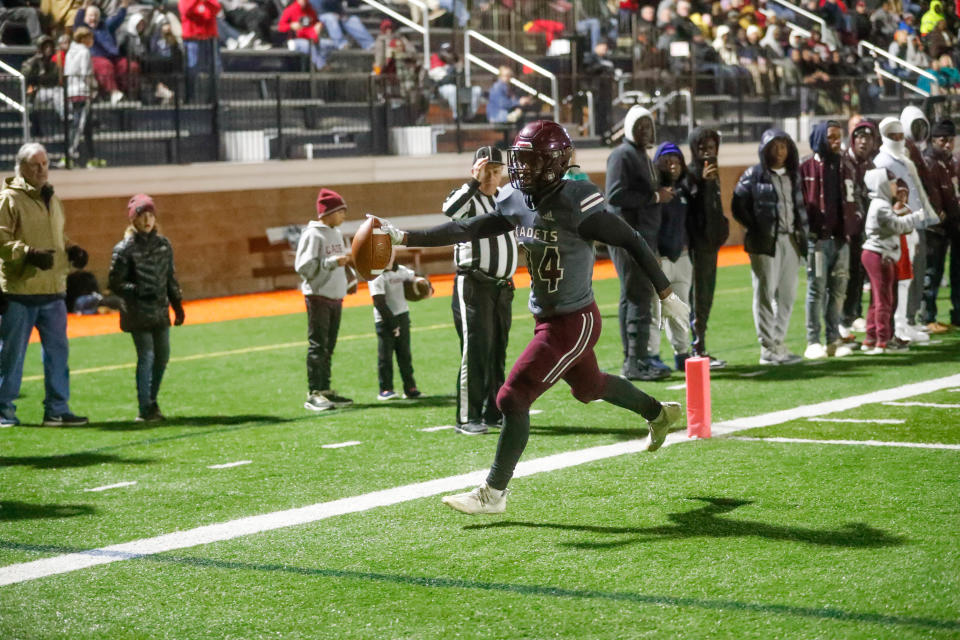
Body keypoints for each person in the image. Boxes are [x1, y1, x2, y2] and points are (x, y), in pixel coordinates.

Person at [373, 121, 687, 515]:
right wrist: (404, 238)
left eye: (528, 160)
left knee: (512, 396)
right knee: (590, 386)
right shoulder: (519, 199)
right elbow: (467, 228)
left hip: (575, 319)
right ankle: (659, 414)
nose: (519, 169)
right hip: (548, 318)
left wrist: (665, 292)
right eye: (518, 159)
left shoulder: (576, 200)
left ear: (553, 163)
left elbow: (632, 239)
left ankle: (493, 494)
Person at [0, 143, 89, 427]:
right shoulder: (8, 199)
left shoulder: (52, 198)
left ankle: (57, 409)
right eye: (35, 164)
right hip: (19, 291)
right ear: (21, 167)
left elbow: (56, 237)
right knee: (11, 357)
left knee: (58, 356)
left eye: (45, 163)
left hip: (53, 290)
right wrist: (28, 254)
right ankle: (3, 410)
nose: (42, 169)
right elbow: (1, 242)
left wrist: (72, 248)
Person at [442, 146, 517, 435]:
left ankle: (492, 411)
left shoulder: (503, 200)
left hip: (502, 288)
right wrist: (474, 182)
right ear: (475, 170)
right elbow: (451, 211)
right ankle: (466, 417)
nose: (492, 177)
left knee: (498, 351)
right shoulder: (466, 197)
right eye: (487, 170)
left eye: (497, 171)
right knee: (475, 351)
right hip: (474, 284)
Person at [732, 129, 808, 365]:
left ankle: (779, 343)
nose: (779, 152)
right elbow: (738, 205)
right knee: (765, 294)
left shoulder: (794, 175)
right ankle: (768, 348)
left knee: (787, 295)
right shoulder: (753, 175)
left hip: (791, 241)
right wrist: (756, 227)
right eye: (774, 147)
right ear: (765, 149)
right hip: (764, 242)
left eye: (783, 146)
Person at [606, 105, 671, 380]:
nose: (645, 130)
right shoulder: (622, 155)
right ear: (630, 128)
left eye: (648, 126)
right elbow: (615, 196)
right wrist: (655, 198)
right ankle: (636, 362)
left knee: (633, 298)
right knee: (638, 298)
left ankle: (636, 359)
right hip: (629, 238)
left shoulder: (640, 155)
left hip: (639, 237)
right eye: (640, 126)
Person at [108, 194, 185, 422]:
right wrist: (138, 290)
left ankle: (151, 401)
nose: (147, 220)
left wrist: (177, 305)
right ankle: (145, 407)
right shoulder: (124, 249)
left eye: (150, 215)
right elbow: (114, 283)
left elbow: (170, 277)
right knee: (147, 356)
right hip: (137, 312)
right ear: (133, 220)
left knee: (163, 356)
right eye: (142, 216)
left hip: (160, 310)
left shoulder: (164, 245)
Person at [799, 120, 862, 359]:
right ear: (819, 138)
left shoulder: (846, 165)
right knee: (816, 289)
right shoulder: (805, 167)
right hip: (817, 240)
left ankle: (833, 339)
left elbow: (854, 195)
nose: (837, 142)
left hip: (841, 239)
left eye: (839, 137)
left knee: (838, 291)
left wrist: (854, 221)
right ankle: (813, 340)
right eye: (832, 137)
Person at [874, 116, 936, 344]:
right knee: (900, 280)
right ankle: (899, 324)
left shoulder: (904, 159)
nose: (899, 140)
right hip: (898, 227)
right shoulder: (882, 160)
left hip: (912, 224)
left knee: (911, 276)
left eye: (901, 135)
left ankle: (907, 320)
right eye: (894, 136)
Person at [861, 169, 936, 353]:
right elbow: (899, 226)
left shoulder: (880, 203)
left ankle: (871, 337)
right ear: (882, 184)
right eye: (892, 182)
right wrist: (918, 216)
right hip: (880, 255)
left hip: (877, 254)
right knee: (885, 299)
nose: (895, 186)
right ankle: (883, 340)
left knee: (877, 299)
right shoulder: (881, 206)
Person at [294, 188, 354, 412]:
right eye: (341, 211)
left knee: (329, 346)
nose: (344, 216)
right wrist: (331, 263)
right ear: (328, 212)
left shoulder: (335, 233)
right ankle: (314, 393)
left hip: (335, 297)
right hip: (318, 296)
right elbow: (304, 268)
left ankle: (325, 389)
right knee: (318, 345)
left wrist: (348, 278)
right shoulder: (313, 234)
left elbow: (337, 263)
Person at [685, 127, 729, 367]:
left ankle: (700, 346)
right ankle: (696, 348)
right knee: (697, 298)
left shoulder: (714, 173)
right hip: (696, 245)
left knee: (706, 297)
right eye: (701, 148)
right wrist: (702, 183)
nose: (706, 153)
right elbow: (692, 211)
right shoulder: (691, 174)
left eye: (710, 148)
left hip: (711, 245)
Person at [648, 142, 693, 370]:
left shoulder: (684, 190)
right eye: (666, 160)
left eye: (676, 160)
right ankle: (652, 355)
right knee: (655, 311)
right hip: (660, 259)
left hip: (682, 257)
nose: (672, 164)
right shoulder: (654, 192)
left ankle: (682, 353)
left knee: (680, 309)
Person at [840, 119, 879, 338]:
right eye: (860, 137)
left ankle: (854, 314)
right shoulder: (843, 163)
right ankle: (841, 319)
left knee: (858, 274)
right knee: (842, 276)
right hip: (846, 230)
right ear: (853, 140)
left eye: (868, 138)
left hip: (864, 230)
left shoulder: (871, 166)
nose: (864, 142)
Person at [920, 118, 960, 331]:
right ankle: (928, 318)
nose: (947, 144)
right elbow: (928, 195)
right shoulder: (928, 163)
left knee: (956, 272)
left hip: (953, 225)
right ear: (933, 139)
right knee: (931, 273)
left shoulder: (951, 162)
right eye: (943, 139)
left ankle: (957, 315)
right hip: (934, 227)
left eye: (951, 139)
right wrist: (939, 214)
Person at [369, 254, 421, 401]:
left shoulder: (401, 270)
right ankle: (385, 389)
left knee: (405, 355)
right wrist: (392, 323)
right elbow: (378, 301)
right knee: (385, 357)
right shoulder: (376, 275)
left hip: (403, 315)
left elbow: (415, 277)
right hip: (385, 320)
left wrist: (424, 285)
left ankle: (410, 388)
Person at [74, 0, 136, 105]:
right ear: (85, 17)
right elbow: (78, 21)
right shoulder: (83, 28)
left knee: (131, 66)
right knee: (105, 66)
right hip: (95, 57)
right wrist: (85, 6)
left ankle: (127, 94)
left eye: (95, 16)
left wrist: (124, 6)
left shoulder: (105, 26)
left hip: (113, 57)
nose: (93, 18)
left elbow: (117, 19)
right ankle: (114, 93)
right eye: (90, 16)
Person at [65, 27, 97, 169]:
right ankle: (70, 153)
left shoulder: (70, 52)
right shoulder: (84, 52)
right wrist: (93, 87)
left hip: (71, 91)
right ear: (83, 38)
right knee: (79, 124)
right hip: (82, 91)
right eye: (89, 37)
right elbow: (86, 73)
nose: (91, 40)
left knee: (84, 125)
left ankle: (91, 157)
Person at [179, 0, 221, 103]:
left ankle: (212, 98)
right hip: (192, 39)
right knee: (192, 67)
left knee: (214, 68)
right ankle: (190, 98)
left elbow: (216, 8)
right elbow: (187, 10)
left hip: (209, 38)